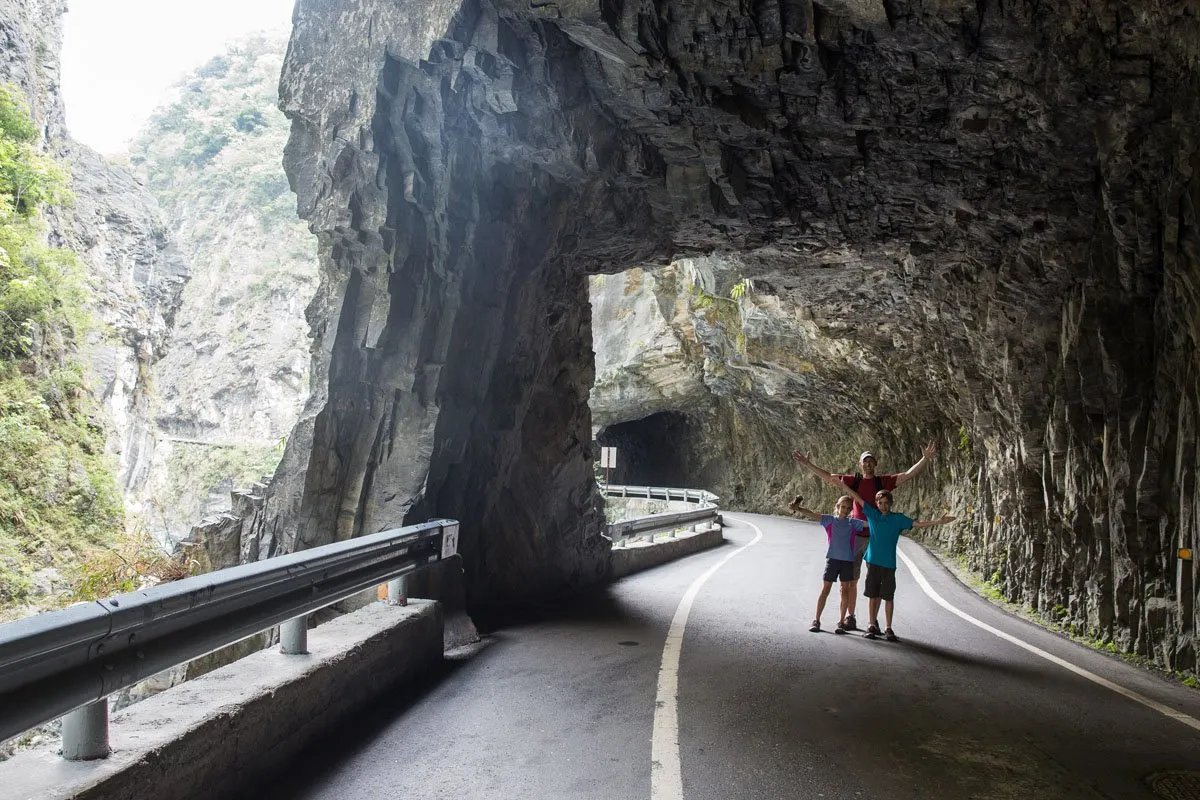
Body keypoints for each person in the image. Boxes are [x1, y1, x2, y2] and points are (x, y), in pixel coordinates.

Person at [797, 454, 954, 641]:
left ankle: (874, 622)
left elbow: (907, 475)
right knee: (851, 580)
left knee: (877, 579)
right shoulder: (854, 480)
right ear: (860, 464)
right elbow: (831, 478)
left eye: (872, 461)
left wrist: (925, 459)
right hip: (855, 535)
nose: (868, 464)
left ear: (876, 464)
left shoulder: (882, 482)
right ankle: (850, 616)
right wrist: (808, 464)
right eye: (865, 461)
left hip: (876, 537)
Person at [786, 493, 867, 634]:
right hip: (833, 560)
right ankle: (816, 620)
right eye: (843, 507)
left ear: (851, 511)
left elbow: (871, 524)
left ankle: (841, 622)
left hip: (847, 561)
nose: (846, 510)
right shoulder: (830, 520)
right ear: (837, 507)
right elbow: (813, 514)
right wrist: (798, 508)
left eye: (849, 508)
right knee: (825, 589)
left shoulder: (853, 523)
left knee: (845, 590)